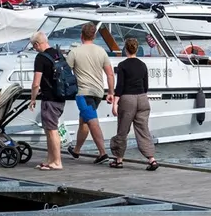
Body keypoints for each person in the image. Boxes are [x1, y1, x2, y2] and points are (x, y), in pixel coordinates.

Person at [66, 22, 116, 164]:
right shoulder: (101, 51)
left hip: (83, 92)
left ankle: (102, 153)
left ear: (81, 35)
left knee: (92, 121)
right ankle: (76, 150)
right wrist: (111, 92)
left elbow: (65, 72)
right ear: (94, 36)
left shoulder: (75, 52)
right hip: (98, 92)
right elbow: (110, 74)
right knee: (84, 121)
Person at [109, 37, 157, 170]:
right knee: (143, 130)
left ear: (125, 49)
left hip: (127, 99)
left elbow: (120, 86)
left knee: (123, 130)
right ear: (136, 49)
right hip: (142, 98)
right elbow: (146, 86)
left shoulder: (122, 65)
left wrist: (115, 104)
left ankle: (119, 160)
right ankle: (152, 159)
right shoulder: (143, 65)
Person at [27, 31, 66, 170]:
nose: (34, 49)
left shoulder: (40, 58)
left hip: (49, 98)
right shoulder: (58, 53)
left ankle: (57, 162)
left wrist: (32, 98)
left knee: (52, 130)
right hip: (61, 96)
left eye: (34, 46)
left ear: (37, 44)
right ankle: (50, 160)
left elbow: (36, 83)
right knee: (49, 129)